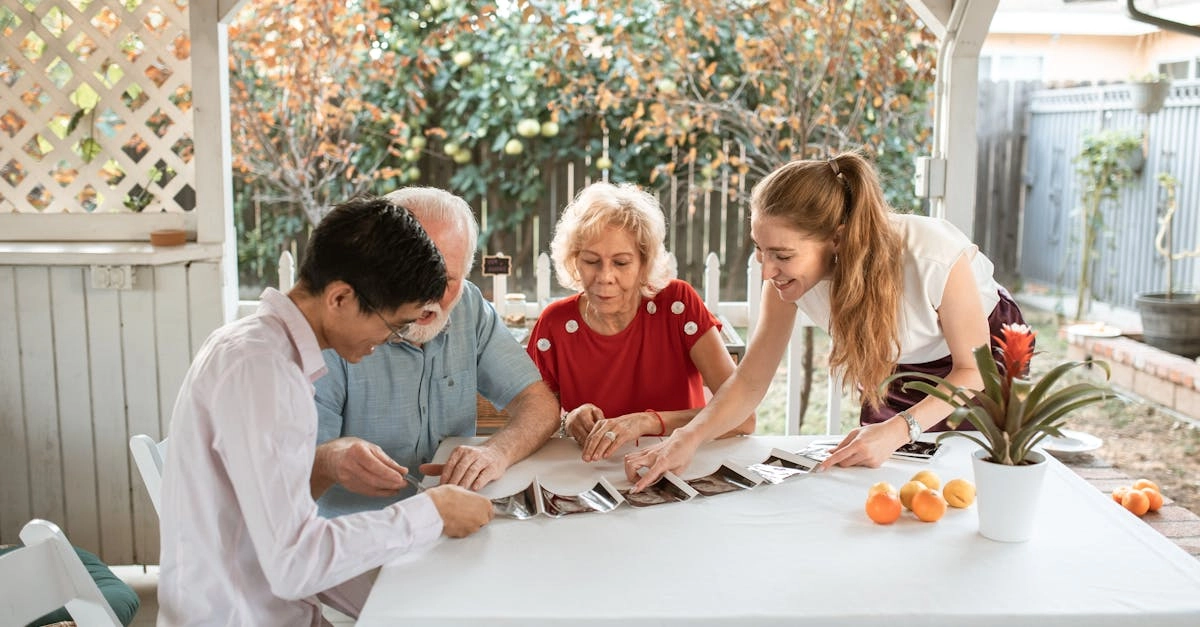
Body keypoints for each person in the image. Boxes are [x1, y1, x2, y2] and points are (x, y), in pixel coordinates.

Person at [158, 197, 494, 626]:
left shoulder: (261, 350)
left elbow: (282, 530)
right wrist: (431, 513)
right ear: (340, 297)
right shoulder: (262, 372)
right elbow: (295, 562)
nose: (391, 340)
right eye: (392, 325)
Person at [626, 151, 1027, 490]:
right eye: (760, 250)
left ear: (837, 239)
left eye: (782, 255)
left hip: (981, 360)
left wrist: (899, 428)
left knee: (975, 478)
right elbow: (749, 382)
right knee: (881, 476)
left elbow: (971, 371)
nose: (767, 271)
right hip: (900, 364)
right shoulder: (787, 281)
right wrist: (687, 438)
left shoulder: (932, 255)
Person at [312, 187, 559, 517]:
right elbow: (290, 473)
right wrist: (332, 458)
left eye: (446, 278)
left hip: (451, 525)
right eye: (415, 276)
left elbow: (539, 404)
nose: (429, 295)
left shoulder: (468, 306)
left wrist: (496, 452)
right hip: (357, 538)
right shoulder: (341, 325)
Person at [528, 181, 754, 463]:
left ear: (643, 264)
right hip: (592, 473)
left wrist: (647, 422)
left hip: (679, 466)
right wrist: (568, 420)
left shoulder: (677, 304)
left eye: (621, 263)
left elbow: (742, 419)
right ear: (574, 260)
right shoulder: (555, 324)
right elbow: (528, 420)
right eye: (590, 261)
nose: (604, 276)